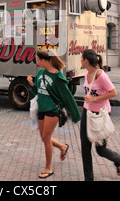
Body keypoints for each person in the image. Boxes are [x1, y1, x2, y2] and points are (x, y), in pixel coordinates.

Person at [27, 48, 81, 179]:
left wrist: (75, 114)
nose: (36, 62)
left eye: (38, 60)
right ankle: (63, 147)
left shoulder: (58, 77)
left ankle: (48, 168)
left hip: (52, 110)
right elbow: (37, 91)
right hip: (41, 109)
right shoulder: (40, 73)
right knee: (44, 137)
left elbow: (67, 97)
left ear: (44, 60)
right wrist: (31, 84)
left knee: (46, 138)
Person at [80, 49, 120, 181]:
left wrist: (94, 99)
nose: (80, 61)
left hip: (100, 114)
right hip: (87, 112)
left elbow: (113, 93)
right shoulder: (86, 74)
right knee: (85, 147)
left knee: (101, 150)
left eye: (81, 59)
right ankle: (89, 178)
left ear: (86, 61)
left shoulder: (101, 75)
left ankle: (118, 160)